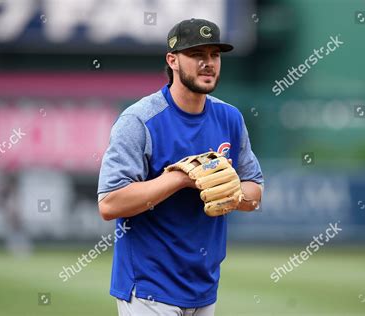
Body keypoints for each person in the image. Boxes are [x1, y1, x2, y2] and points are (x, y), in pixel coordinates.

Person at [97, 18, 264, 316]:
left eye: (214, 55)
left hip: (204, 286)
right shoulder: (139, 120)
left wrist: (233, 193)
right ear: (172, 60)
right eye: (197, 55)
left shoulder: (230, 118)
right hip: (148, 287)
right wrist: (181, 178)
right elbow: (110, 203)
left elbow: (255, 192)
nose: (208, 63)